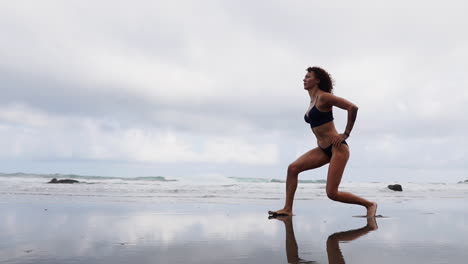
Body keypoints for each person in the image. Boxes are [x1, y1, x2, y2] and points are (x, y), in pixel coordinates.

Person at [269, 66, 377, 217]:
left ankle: (370, 204)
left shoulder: (324, 97)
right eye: (304, 77)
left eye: (308, 76)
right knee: (292, 169)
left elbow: (352, 107)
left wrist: (345, 134)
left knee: (332, 193)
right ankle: (288, 208)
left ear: (317, 80)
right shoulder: (312, 100)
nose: (304, 79)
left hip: (337, 148)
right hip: (322, 149)